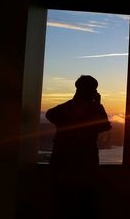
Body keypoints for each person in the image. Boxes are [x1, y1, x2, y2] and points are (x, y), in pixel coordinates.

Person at [46, 75, 111, 219]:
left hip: (62, 161)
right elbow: (104, 126)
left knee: (62, 203)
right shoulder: (93, 109)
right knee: (85, 203)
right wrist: (97, 106)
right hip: (85, 162)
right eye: (94, 89)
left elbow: (50, 114)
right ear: (92, 91)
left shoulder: (64, 108)